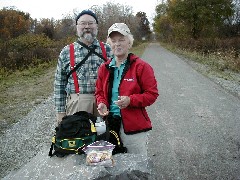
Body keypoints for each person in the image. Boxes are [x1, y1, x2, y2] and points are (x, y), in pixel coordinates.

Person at [95, 23, 159, 155]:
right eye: (113, 41)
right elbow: (99, 92)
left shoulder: (141, 67)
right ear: (110, 44)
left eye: (121, 40)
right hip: (110, 124)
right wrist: (102, 102)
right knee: (111, 162)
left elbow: (152, 94)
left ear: (129, 43)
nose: (117, 44)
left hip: (133, 126)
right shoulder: (104, 68)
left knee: (137, 166)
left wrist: (131, 100)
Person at [54, 9, 112, 124]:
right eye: (83, 23)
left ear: (96, 26)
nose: (87, 27)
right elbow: (59, 84)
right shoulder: (66, 52)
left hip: (105, 103)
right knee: (80, 139)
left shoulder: (108, 49)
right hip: (77, 104)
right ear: (77, 27)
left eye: (91, 23)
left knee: (106, 139)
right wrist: (60, 112)